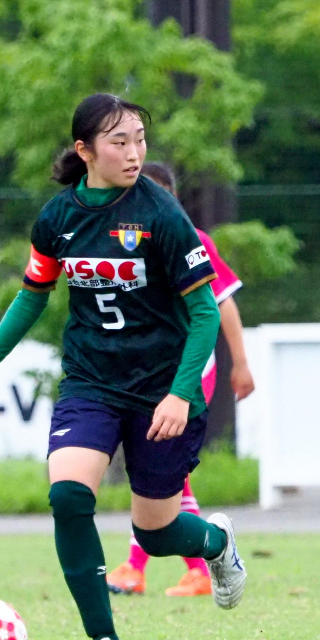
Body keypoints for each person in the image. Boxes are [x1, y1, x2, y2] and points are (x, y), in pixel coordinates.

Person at [0, 94, 247, 640]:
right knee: (69, 497)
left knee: (154, 536)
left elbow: (205, 313)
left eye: (139, 140)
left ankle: (215, 542)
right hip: (91, 382)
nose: (134, 153)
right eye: (119, 142)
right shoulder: (58, 218)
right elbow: (33, 294)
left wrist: (180, 393)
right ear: (84, 151)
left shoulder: (162, 214)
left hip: (163, 390)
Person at [106, 161, 255, 598]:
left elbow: (222, 302)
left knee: (160, 465)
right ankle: (184, 566)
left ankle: (165, 566)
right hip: (146, 377)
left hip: (189, 375)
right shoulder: (121, 244)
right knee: (158, 470)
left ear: (168, 199)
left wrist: (240, 363)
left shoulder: (193, 241)